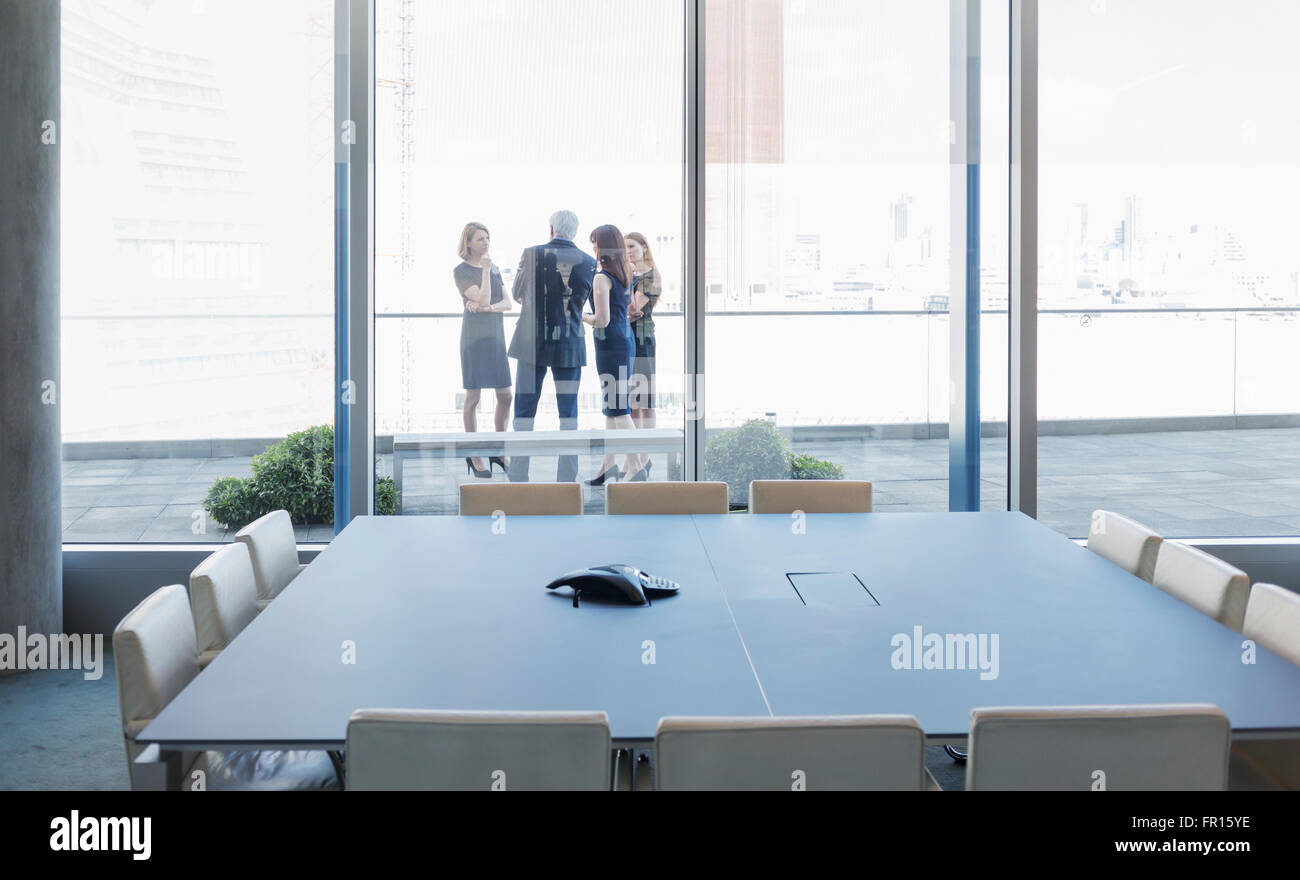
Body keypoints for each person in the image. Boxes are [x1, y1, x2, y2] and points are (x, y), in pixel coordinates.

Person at [506, 210, 595, 483]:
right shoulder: (589, 261)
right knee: (568, 414)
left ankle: (519, 473)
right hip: (569, 342)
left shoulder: (531, 253)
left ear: (552, 229)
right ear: (575, 232)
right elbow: (583, 301)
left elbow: (517, 294)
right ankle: (566, 478)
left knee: (524, 411)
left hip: (532, 341)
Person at [453, 223, 512, 478]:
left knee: (506, 395)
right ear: (468, 243)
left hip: (495, 336)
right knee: (473, 397)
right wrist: (486, 272)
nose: (486, 242)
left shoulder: (495, 267)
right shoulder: (462, 271)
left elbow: (507, 304)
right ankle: (474, 452)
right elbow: (486, 298)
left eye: (488, 237)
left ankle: (499, 448)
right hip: (474, 339)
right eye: (480, 238)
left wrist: (486, 307)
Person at [583, 224, 640, 485]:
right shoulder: (624, 273)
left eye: (594, 243)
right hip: (624, 339)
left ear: (601, 246)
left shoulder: (601, 278)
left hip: (610, 344)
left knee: (619, 409)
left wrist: (579, 316)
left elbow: (601, 320)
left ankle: (636, 465)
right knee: (613, 408)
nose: (592, 248)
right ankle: (608, 465)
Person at [625, 231, 660, 480]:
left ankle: (644, 458)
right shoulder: (631, 276)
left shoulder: (650, 276)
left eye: (632, 246)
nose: (628, 251)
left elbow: (633, 309)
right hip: (628, 339)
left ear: (644, 247)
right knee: (632, 405)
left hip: (643, 340)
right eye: (624, 248)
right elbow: (627, 312)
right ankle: (635, 459)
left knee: (644, 403)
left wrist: (626, 308)